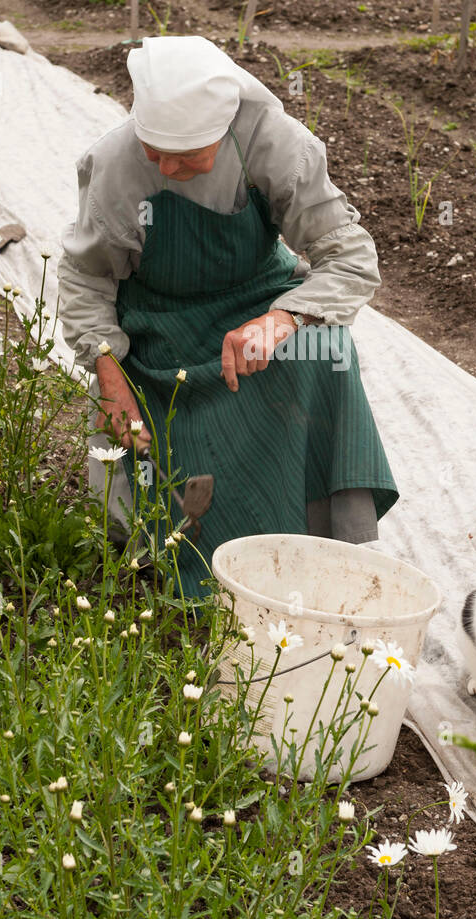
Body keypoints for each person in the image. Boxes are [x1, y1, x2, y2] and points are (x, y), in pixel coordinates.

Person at [58, 35, 398, 593]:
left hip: (258, 304)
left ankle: (313, 544)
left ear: (225, 126)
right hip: (156, 327)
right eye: (155, 150)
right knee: (146, 424)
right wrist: (107, 374)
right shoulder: (115, 164)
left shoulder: (274, 143)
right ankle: (170, 557)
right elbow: (86, 276)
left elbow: (349, 255)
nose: (167, 165)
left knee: (328, 351)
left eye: (187, 154)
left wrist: (283, 320)